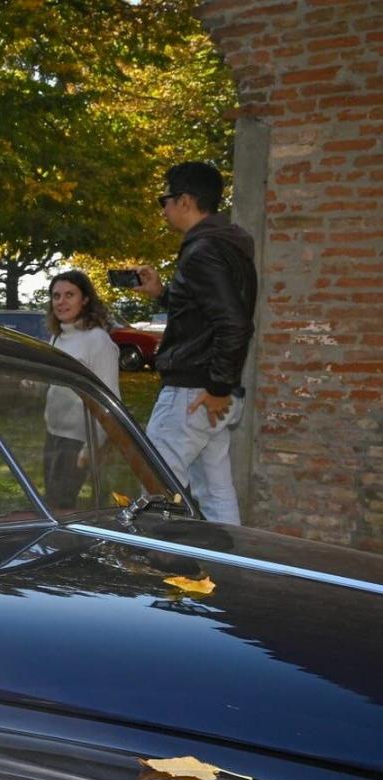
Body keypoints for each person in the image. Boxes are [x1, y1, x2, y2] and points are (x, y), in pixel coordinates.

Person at [133, 161, 257, 524]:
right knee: (215, 492)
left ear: (185, 200)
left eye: (165, 199)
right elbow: (204, 315)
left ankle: (159, 567)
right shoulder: (228, 246)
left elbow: (234, 324)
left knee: (156, 482)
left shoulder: (204, 250)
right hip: (209, 393)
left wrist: (219, 386)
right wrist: (162, 295)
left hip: (195, 393)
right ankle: (230, 570)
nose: (164, 208)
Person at [42, 269, 120, 510]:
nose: (61, 302)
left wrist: (92, 445)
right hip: (53, 433)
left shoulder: (98, 340)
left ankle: (65, 547)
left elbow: (110, 398)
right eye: (56, 296)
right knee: (51, 504)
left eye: (69, 295)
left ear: (85, 299)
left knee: (61, 506)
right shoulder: (58, 337)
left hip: (79, 438)